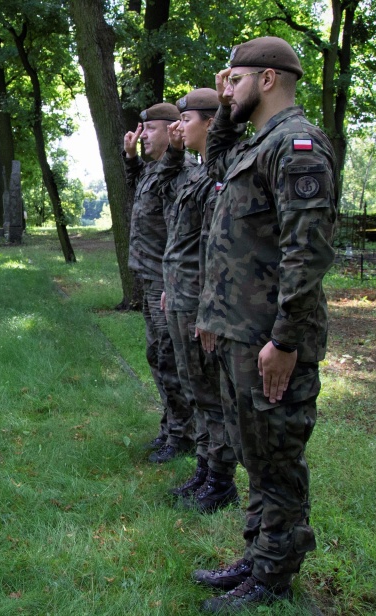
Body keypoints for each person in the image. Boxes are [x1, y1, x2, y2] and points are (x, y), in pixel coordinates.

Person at [193, 37, 337, 612]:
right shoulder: (258, 145)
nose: (225, 87)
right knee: (255, 456)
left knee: (277, 463)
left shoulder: (299, 147)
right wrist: (228, 106)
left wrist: (285, 340)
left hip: (270, 341)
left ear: (269, 79)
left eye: (236, 78)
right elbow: (215, 162)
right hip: (239, 335)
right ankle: (256, 559)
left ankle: (274, 577)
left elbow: (308, 255)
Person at [156, 88, 239, 512]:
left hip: (201, 302)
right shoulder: (194, 173)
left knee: (209, 391)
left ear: (210, 122)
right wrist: (172, 285)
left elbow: (213, 250)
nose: (178, 127)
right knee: (194, 387)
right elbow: (178, 234)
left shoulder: (218, 178)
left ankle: (220, 478)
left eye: (186, 120)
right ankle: (205, 469)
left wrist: (208, 309)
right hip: (183, 294)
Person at [124, 102, 195, 464]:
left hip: (166, 282)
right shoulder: (153, 171)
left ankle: (183, 435)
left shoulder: (178, 171)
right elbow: (136, 186)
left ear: (171, 131)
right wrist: (132, 157)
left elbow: (180, 233)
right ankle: (171, 426)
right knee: (158, 356)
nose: (143, 135)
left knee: (170, 360)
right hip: (152, 281)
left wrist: (173, 281)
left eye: (149, 129)